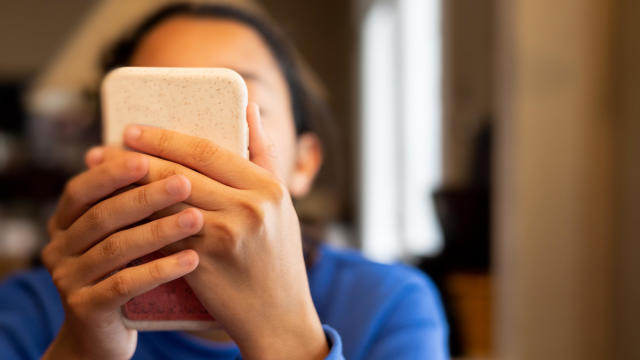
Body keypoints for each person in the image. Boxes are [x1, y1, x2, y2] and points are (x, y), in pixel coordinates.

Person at [0, 2, 449, 359]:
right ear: (104, 155)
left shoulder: (387, 304)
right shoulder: (35, 311)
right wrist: (81, 352)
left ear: (304, 163)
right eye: (161, 113)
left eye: (237, 107)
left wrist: (284, 333)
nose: (195, 145)